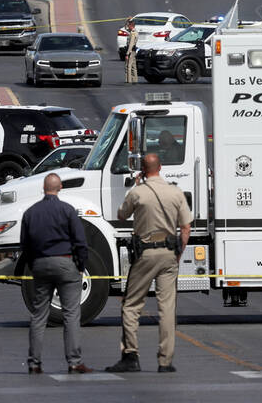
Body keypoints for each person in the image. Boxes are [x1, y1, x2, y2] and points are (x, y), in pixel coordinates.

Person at [106, 153, 192, 374]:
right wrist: (178, 254)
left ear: (143, 170)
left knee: (132, 304)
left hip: (145, 254)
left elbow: (122, 215)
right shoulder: (175, 192)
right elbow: (185, 228)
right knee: (167, 308)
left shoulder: (138, 193)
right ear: (160, 167)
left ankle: (130, 355)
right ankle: (165, 361)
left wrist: (136, 187)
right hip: (169, 254)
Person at [19, 172, 92, 375]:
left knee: (39, 314)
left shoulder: (31, 213)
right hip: (65, 263)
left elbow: (25, 244)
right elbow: (80, 242)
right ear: (60, 188)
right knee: (71, 314)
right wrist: (80, 265)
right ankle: (74, 362)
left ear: (44, 188)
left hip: (41, 264)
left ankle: (34, 363)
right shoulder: (67, 211)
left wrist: (35, 264)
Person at [124, 18, 138, 84]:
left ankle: (128, 80)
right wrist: (127, 20)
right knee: (133, 66)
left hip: (131, 51)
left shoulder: (132, 33)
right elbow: (125, 27)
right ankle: (135, 80)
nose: (128, 26)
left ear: (131, 25)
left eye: (129, 25)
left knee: (128, 66)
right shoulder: (132, 31)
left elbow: (131, 44)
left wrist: (127, 54)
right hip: (133, 51)